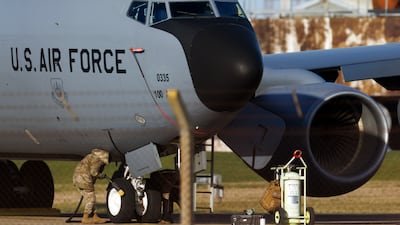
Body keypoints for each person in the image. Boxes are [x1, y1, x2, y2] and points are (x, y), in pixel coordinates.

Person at [73, 148, 110, 224]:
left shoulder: (91, 156)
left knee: (89, 198)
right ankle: (85, 217)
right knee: (91, 198)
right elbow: (93, 172)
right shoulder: (98, 160)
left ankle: (95, 216)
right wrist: (101, 176)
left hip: (78, 178)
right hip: (84, 179)